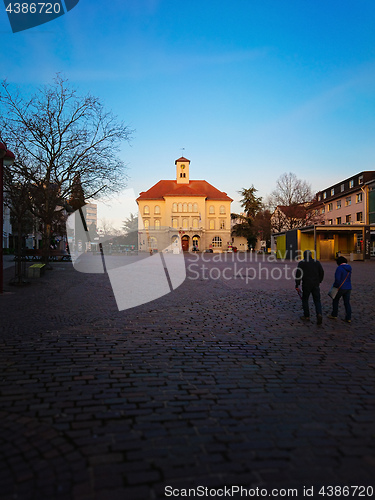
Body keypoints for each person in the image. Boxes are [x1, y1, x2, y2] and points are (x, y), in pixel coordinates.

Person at [295, 250, 324, 325]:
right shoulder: (316, 262)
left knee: (305, 299)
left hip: (306, 284)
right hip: (315, 284)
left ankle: (306, 315)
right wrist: (319, 281)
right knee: (317, 300)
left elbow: (298, 274)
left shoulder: (302, 263)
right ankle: (319, 313)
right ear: (311, 255)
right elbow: (321, 272)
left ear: (304, 255)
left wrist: (297, 284)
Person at [328, 256, 352, 323]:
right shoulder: (349, 268)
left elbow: (337, 279)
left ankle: (334, 314)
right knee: (347, 303)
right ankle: (348, 318)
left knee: (335, 300)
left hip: (340, 287)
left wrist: (335, 287)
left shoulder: (339, 268)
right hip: (348, 287)